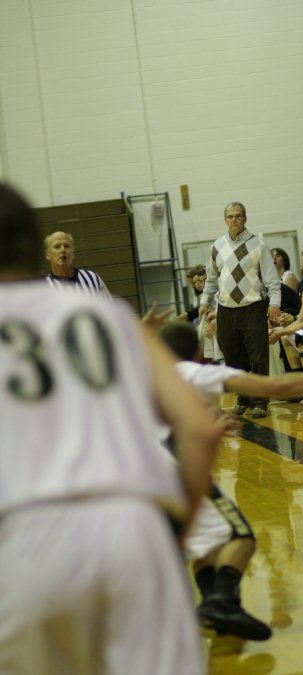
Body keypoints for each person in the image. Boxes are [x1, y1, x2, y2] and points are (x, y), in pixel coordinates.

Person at [0, 182, 222, 675]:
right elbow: (201, 430)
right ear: (33, 244)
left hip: (24, 542)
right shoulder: (105, 316)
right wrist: (173, 536)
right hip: (132, 529)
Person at [157, 319, 303, 635]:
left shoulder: (142, 376)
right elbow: (274, 387)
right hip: (175, 467)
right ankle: (220, 604)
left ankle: (218, 607)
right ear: (199, 352)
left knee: (205, 541)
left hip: (140, 476)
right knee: (240, 537)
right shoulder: (197, 372)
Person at [199, 202, 281, 419]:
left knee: (258, 358)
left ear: (245, 218)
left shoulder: (258, 245)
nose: (234, 220)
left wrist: (274, 304)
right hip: (225, 310)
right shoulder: (216, 246)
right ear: (225, 220)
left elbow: (273, 280)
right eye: (230, 216)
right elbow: (211, 280)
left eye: (238, 216)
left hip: (253, 308)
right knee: (233, 359)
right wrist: (204, 301)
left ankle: (260, 402)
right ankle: (243, 398)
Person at [44, 230, 112, 299]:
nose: (63, 250)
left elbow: (109, 308)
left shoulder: (92, 278)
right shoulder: (44, 288)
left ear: (73, 253)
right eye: (57, 246)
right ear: (47, 255)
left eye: (66, 246)